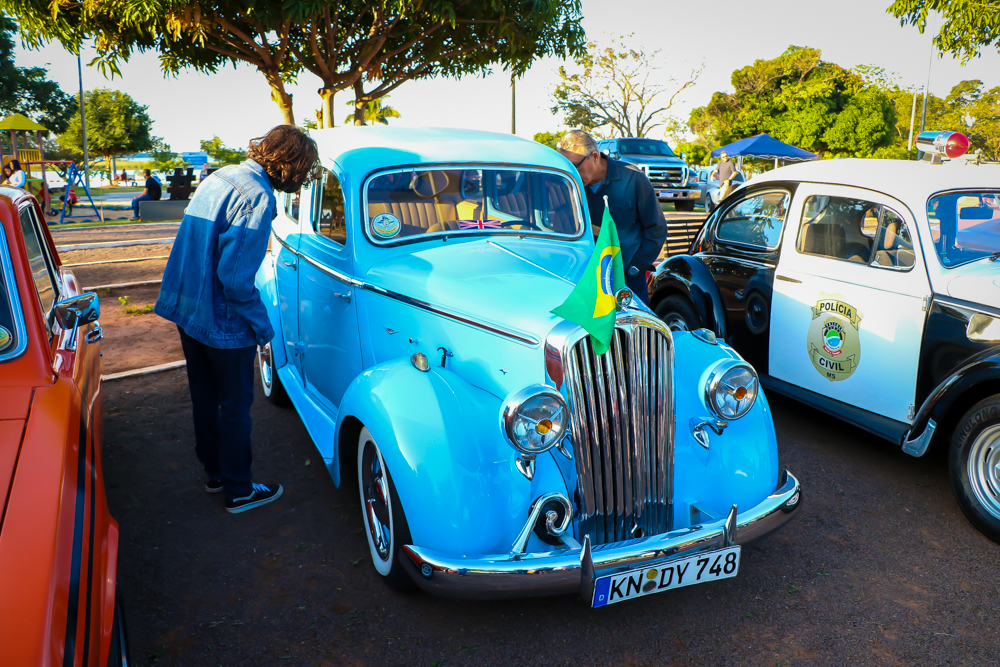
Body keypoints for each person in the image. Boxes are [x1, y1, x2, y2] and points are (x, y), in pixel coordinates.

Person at [154, 125, 320, 514]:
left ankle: (215, 474)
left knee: (205, 398)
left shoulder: (223, 175)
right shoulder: (258, 197)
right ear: (291, 165)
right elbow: (235, 281)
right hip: (222, 320)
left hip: (188, 307)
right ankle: (240, 490)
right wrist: (264, 327)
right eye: (304, 169)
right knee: (234, 406)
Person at [556, 129, 666, 305]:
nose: (571, 173)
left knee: (634, 328)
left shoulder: (633, 178)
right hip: (582, 278)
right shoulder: (565, 183)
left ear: (595, 157)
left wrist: (635, 268)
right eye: (566, 167)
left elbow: (656, 228)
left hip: (627, 280)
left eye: (575, 166)